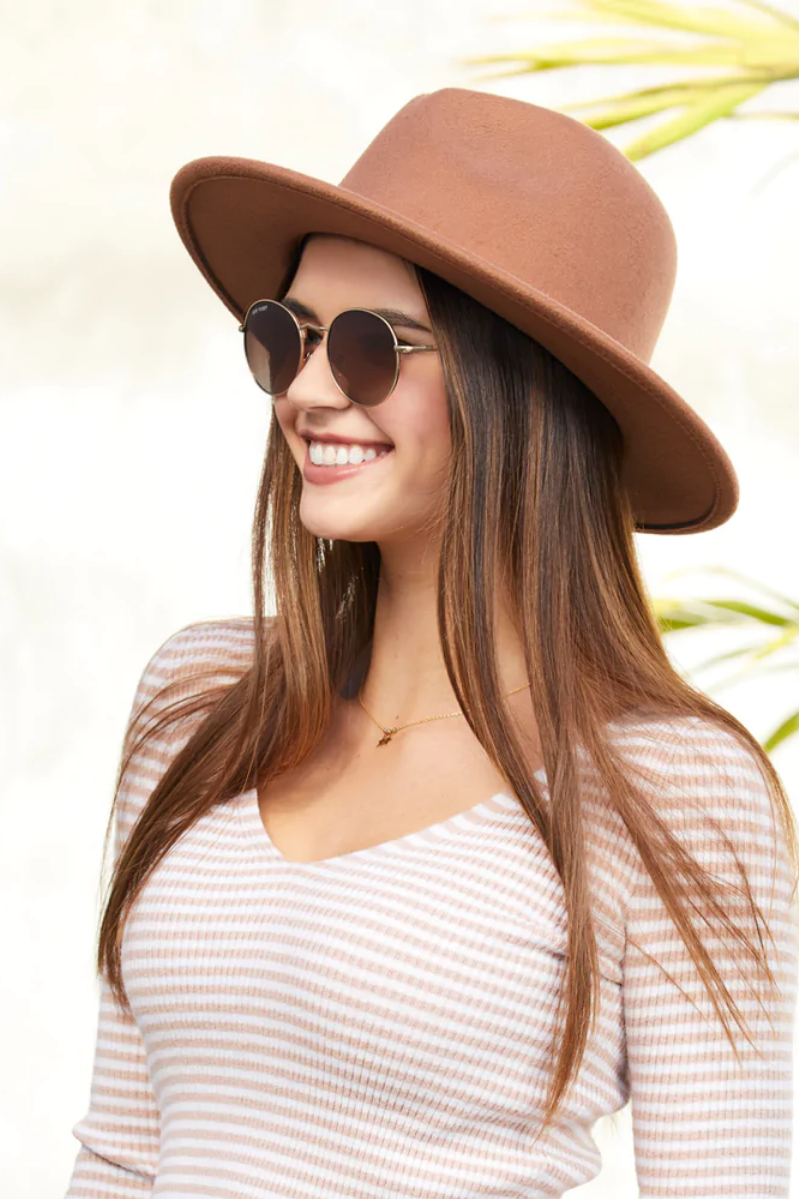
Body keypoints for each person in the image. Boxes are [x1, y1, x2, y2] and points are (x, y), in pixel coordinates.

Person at [64, 88, 798, 1198]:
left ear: (524, 392)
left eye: (369, 346)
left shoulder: (674, 786)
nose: (306, 388)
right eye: (286, 334)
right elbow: (120, 1154)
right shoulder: (195, 699)